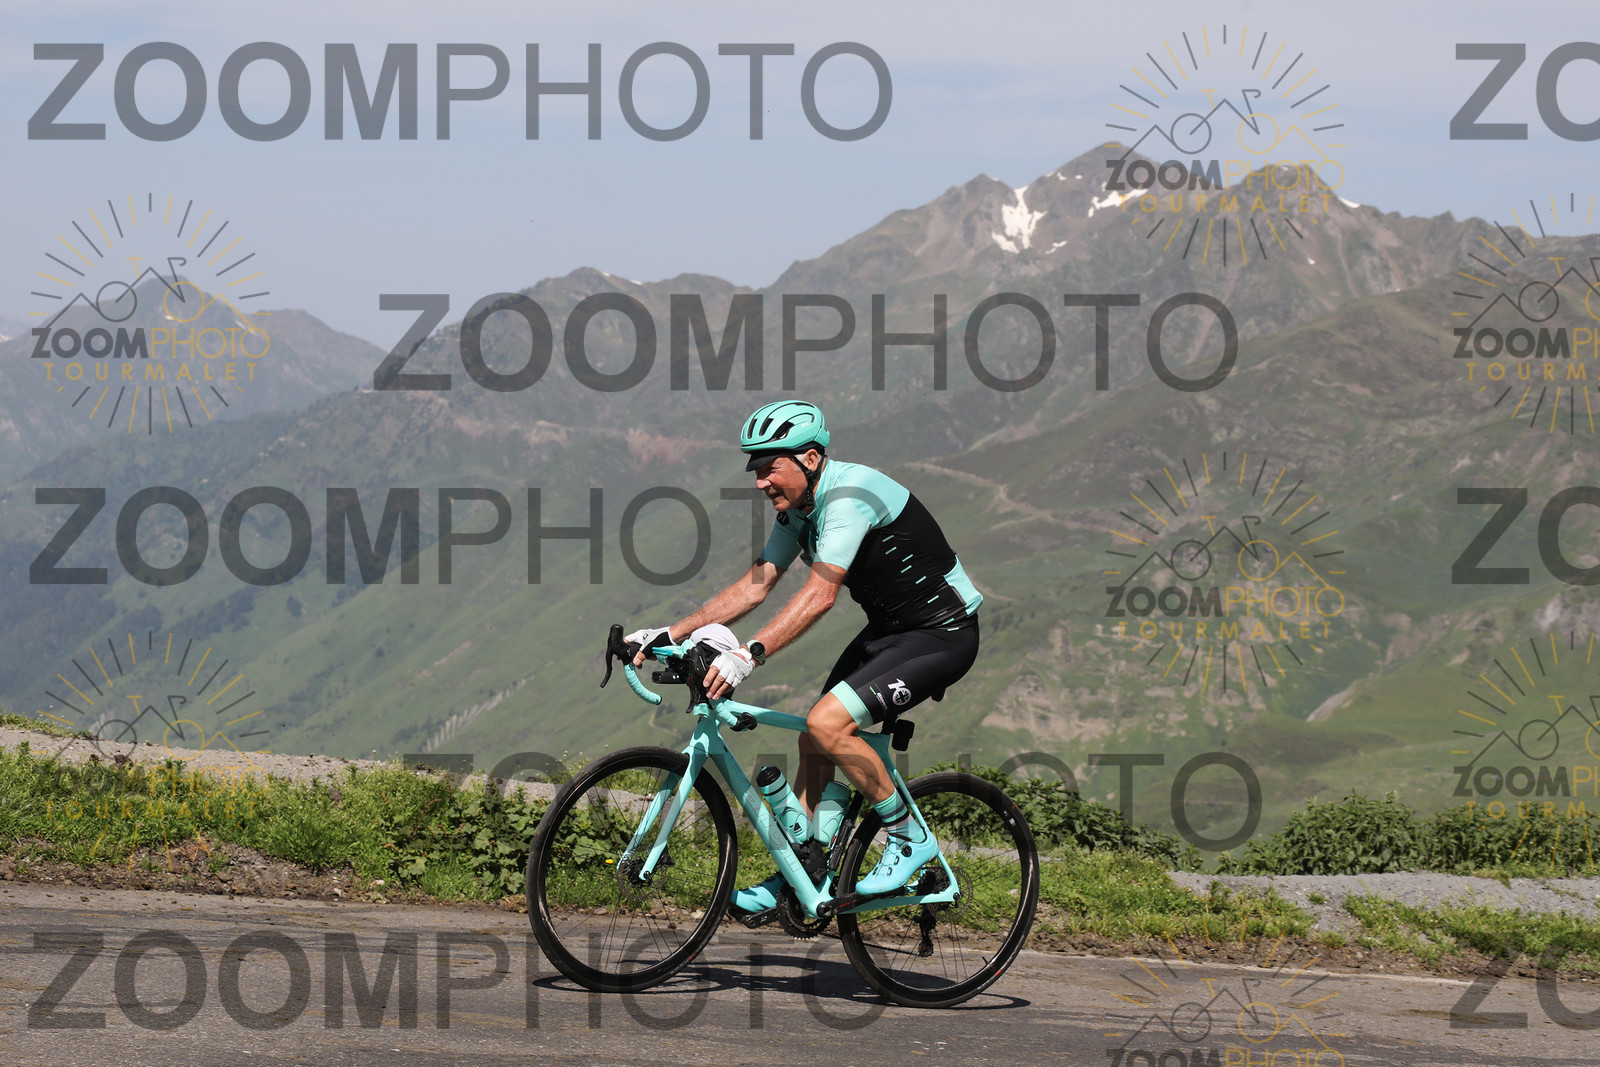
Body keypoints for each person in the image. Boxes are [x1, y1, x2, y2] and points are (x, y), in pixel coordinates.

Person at [625, 400, 983, 914]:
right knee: (812, 740)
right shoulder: (799, 511)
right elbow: (757, 584)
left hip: (941, 635)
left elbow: (820, 596)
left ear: (810, 459)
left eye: (769, 468)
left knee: (826, 725)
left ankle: (909, 839)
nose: (760, 482)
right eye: (754, 469)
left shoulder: (850, 496)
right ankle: (803, 873)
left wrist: (748, 654)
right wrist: (670, 631)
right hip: (889, 633)